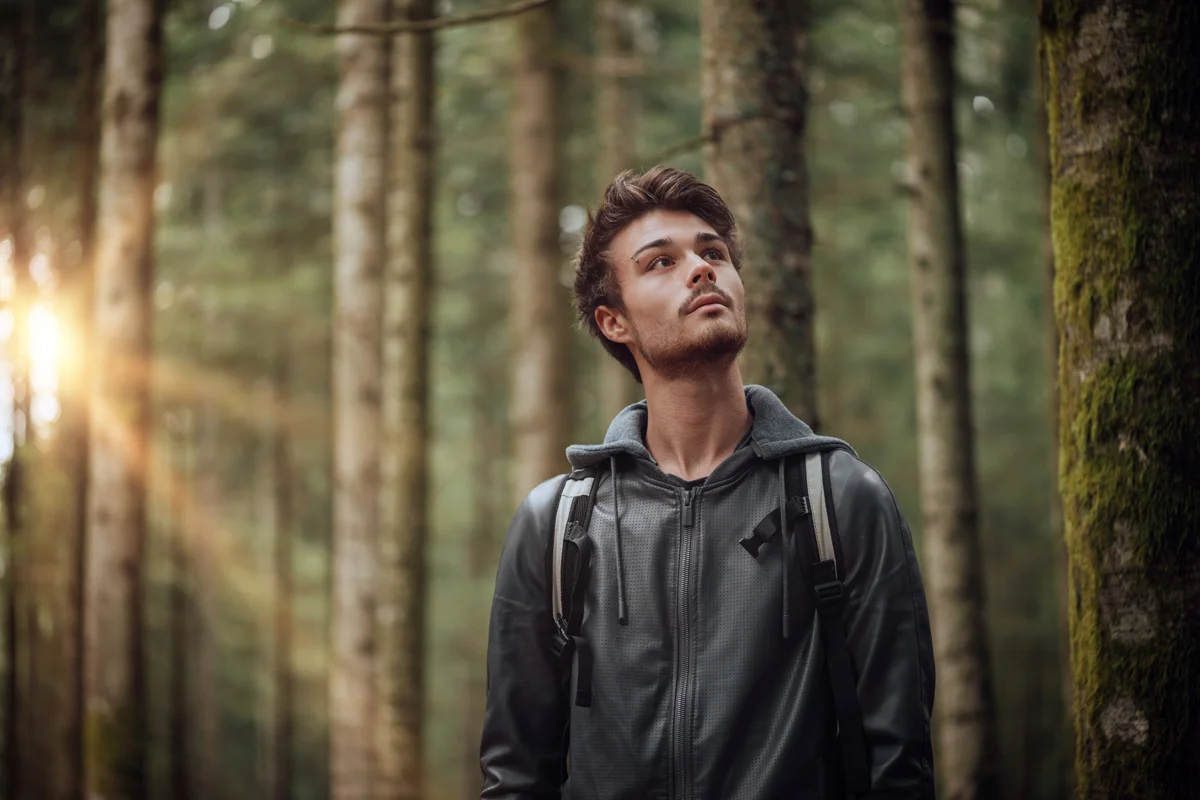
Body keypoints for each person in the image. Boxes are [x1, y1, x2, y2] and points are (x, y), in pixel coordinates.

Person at [479, 166, 935, 799]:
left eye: (712, 252)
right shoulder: (556, 524)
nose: (700, 268)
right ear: (615, 322)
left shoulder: (840, 499)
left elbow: (900, 770)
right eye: (660, 263)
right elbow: (515, 779)